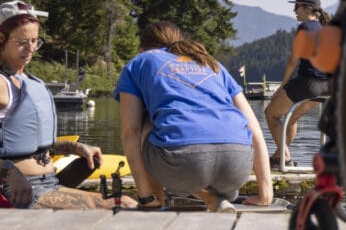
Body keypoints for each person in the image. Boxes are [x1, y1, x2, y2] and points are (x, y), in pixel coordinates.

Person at [0, 0, 131, 209]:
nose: (30, 49)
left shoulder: (27, 79)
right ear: (0, 37)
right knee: (123, 205)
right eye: (22, 42)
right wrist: (10, 174)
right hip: (19, 191)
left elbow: (26, 143)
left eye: (35, 41)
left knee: (126, 203)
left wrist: (75, 147)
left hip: (50, 184)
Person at [114, 21, 273, 211]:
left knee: (146, 122)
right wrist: (266, 192)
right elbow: (253, 127)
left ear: (142, 48)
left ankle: (153, 200)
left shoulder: (139, 62)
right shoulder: (210, 63)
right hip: (237, 166)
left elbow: (130, 132)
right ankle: (213, 198)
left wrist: (143, 195)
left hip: (182, 164)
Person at [264, 0, 332, 166]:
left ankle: (284, 157)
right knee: (291, 119)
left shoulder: (306, 27)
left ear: (307, 8)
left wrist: (282, 86)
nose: (294, 10)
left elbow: (293, 61)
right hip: (326, 87)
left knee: (270, 114)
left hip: (308, 83)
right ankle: (280, 155)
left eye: (297, 6)